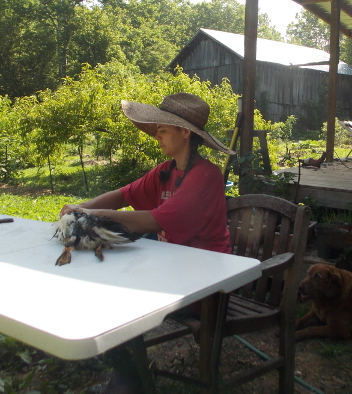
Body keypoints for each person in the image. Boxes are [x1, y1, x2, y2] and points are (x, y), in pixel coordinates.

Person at [60, 92, 235, 394]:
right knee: (103, 280)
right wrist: (81, 205)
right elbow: (124, 194)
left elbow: (155, 220)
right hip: (172, 271)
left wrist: (89, 213)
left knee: (117, 294)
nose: (157, 136)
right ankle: (129, 373)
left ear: (185, 132)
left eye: (162, 130)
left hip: (206, 284)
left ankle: (128, 379)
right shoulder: (166, 171)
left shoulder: (206, 176)